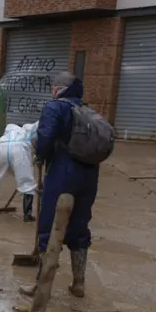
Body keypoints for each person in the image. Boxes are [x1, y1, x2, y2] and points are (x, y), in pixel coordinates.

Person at [21, 72, 99, 299]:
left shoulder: (55, 108)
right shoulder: (88, 111)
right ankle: (79, 283)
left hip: (63, 174)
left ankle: (41, 286)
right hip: (89, 176)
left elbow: (45, 137)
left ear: (59, 89)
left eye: (54, 87)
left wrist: (39, 155)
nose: (52, 91)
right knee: (79, 227)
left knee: (49, 225)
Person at [0, 121, 38, 221]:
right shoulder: (26, 130)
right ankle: (27, 216)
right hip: (19, 149)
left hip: (1, 148)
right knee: (27, 183)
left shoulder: (8, 132)